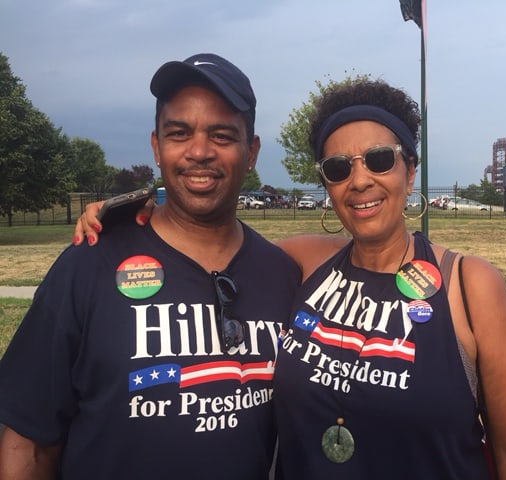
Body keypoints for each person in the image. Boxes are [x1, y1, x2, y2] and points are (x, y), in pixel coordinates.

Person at [73, 79, 506, 478]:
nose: (359, 181)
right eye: (338, 168)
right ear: (328, 185)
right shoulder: (302, 262)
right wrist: (130, 215)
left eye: (379, 159)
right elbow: (209, 251)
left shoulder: (469, 285)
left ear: (410, 169)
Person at [0, 53, 300, 479]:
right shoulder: (88, 264)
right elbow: (26, 442)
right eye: (179, 133)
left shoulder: (282, 274)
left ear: (251, 152)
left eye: (222, 135)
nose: (199, 151)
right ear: (157, 147)